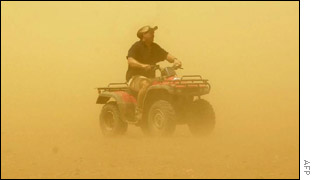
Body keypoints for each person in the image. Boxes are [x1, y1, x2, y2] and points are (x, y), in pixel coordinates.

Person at [126, 25, 182, 120]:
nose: (153, 34)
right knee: (145, 84)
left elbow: (166, 55)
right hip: (135, 77)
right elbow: (130, 61)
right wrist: (143, 66)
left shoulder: (155, 47)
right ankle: (139, 110)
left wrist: (176, 60)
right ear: (144, 35)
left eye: (153, 32)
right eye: (151, 32)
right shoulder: (136, 46)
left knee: (170, 82)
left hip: (150, 78)